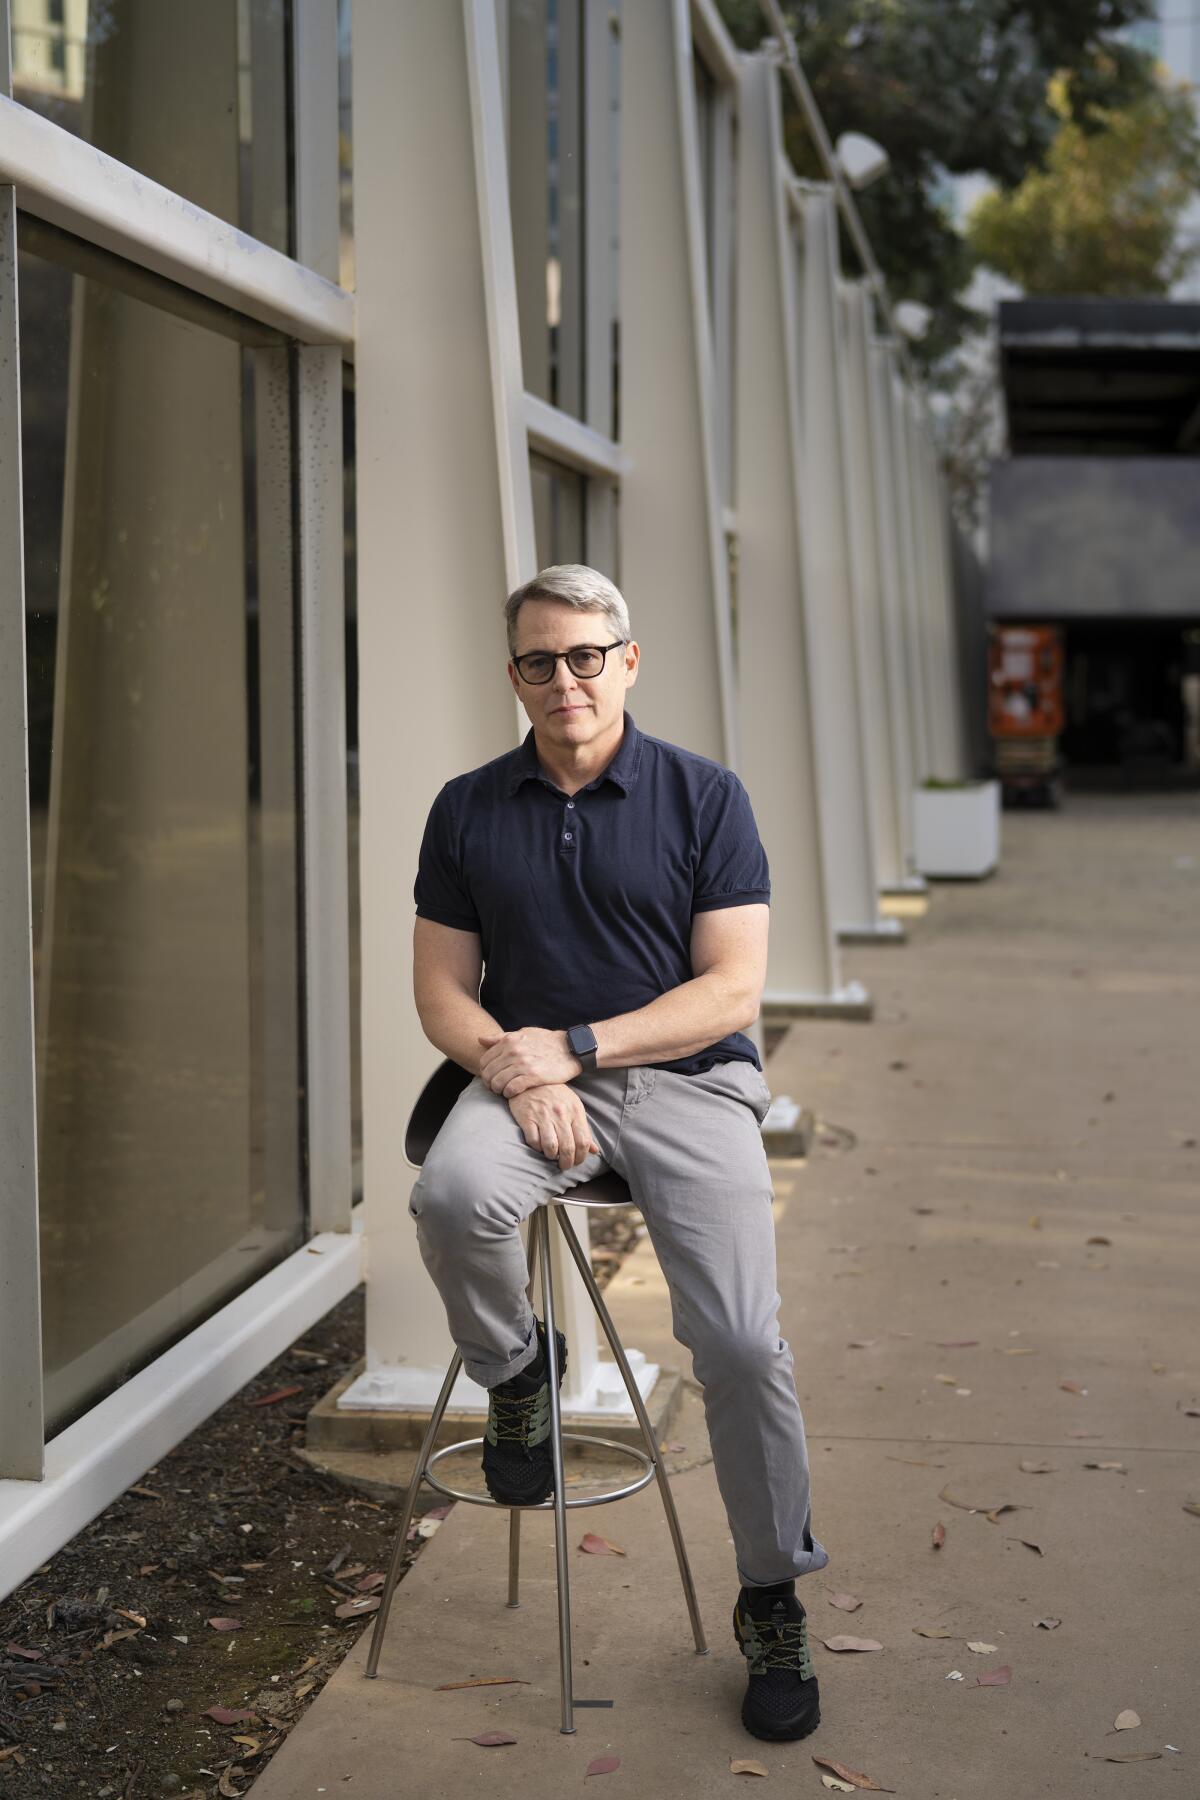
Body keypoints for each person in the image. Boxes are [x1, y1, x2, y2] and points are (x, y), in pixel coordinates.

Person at [407, 563, 829, 1742]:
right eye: (539, 660)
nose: (564, 680)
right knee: (451, 1197)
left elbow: (731, 991)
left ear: (627, 663)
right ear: (515, 677)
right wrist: (511, 1068)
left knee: (742, 1343)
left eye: (586, 655)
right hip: (526, 1080)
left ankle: (770, 1593)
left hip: (686, 1085)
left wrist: (574, 1049)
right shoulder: (468, 805)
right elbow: (442, 992)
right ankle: (516, 1372)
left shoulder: (705, 796)